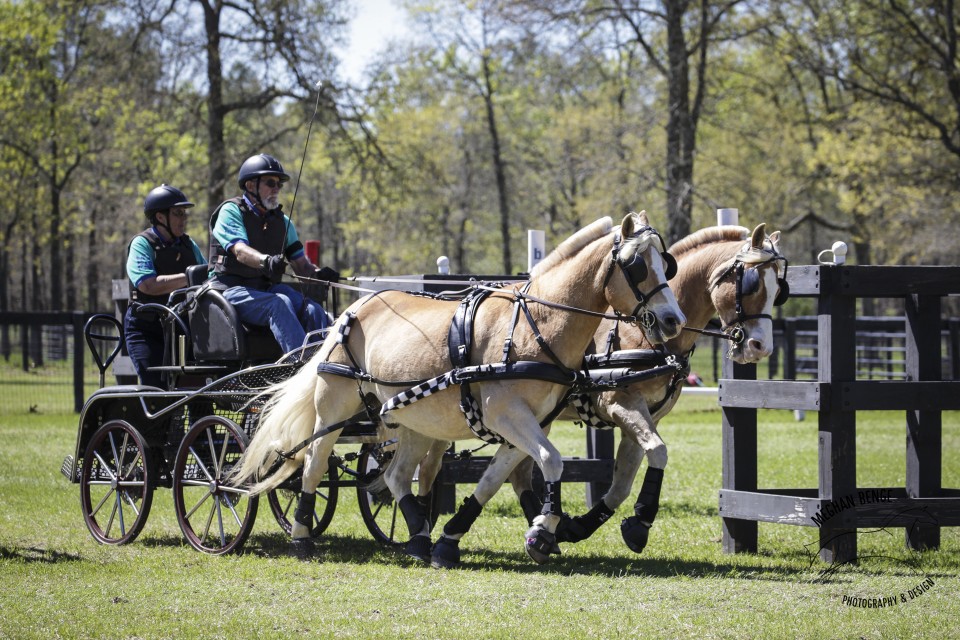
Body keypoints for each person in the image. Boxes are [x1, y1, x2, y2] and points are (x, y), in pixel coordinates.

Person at [208, 153, 338, 354]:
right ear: (251, 186)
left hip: (265, 289)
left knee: (312, 309)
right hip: (230, 290)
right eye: (270, 183)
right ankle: (300, 366)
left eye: (279, 184)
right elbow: (240, 251)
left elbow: (301, 266)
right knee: (279, 303)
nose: (276, 189)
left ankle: (325, 363)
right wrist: (266, 261)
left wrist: (319, 274)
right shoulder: (231, 211)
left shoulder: (283, 222)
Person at [124, 184, 207, 388]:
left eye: (184, 213)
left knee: (198, 389)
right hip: (146, 329)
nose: (184, 219)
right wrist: (189, 277)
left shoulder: (188, 245)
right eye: (178, 213)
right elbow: (148, 285)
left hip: (181, 329)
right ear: (161, 217)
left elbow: (207, 276)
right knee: (156, 390)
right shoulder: (142, 244)